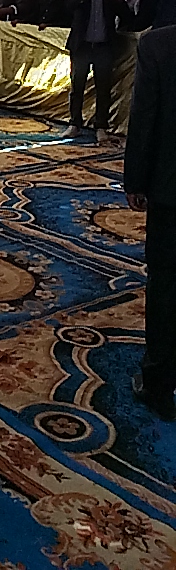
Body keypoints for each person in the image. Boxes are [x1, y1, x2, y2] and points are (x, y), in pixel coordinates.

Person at [124, 25, 176, 421]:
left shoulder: (160, 45)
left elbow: (144, 116)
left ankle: (158, 384)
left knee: (167, 284)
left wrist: (136, 180)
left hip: (170, 189)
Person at [65, 0, 131, 142]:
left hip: (103, 46)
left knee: (103, 88)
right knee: (77, 86)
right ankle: (74, 123)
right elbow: (68, 7)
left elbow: (127, 17)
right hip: (82, 47)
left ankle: (101, 126)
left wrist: (120, 2)